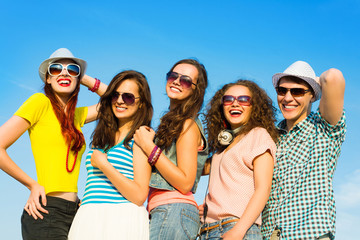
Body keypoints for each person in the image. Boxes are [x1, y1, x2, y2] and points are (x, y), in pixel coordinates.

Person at [0, 48, 107, 240]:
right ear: (47, 79)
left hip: (76, 212)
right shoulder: (39, 102)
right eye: (56, 69)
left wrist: (84, 78)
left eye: (72, 69)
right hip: (45, 211)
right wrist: (32, 184)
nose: (64, 72)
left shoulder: (77, 116)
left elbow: (117, 101)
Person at [261, 61, 346, 240]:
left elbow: (333, 77)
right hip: (269, 234)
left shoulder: (325, 129)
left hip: (309, 233)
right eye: (282, 90)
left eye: (298, 91)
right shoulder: (270, 137)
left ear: (313, 96)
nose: (287, 98)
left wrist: (313, 83)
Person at [68, 70, 153, 239]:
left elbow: (139, 195)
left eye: (128, 97)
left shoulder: (141, 136)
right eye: (115, 95)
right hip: (88, 216)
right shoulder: (101, 137)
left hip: (121, 218)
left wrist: (104, 165)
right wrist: (78, 76)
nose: (120, 101)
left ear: (141, 103)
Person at [134, 59, 208, 240]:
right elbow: (123, 98)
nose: (176, 81)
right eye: (173, 76)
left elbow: (185, 183)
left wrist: (148, 146)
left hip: (173, 210)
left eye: (185, 80)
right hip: (165, 211)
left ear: (195, 90)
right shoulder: (173, 122)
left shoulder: (187, 125)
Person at [198, 80, 278, 240]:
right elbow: (197, 169)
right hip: (208, 230)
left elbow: (263, 189)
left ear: (254, 106)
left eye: (243, 99)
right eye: (228, 99)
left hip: (236, 229)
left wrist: (239, 231)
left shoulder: (258, 135)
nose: (235, 104)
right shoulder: (223, 146)